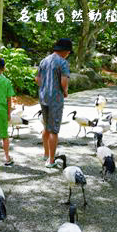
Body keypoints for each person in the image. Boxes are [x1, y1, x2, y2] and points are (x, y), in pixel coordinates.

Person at [36, 38, 72, 167]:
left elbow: (37, 79)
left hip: (43, 97)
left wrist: (44, 88)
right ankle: (51, 160)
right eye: (68, 52)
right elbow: (64, 81)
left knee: (46, 127)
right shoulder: (63, 63)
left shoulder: (44, 61)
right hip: (55, 99)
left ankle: (46, 154)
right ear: (65, 51)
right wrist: (65, 91)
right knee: (54, 130)